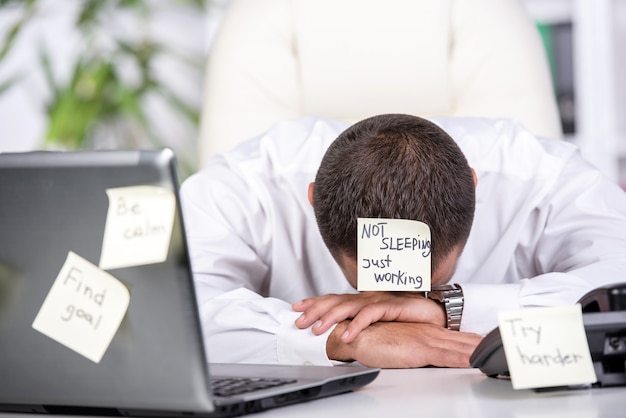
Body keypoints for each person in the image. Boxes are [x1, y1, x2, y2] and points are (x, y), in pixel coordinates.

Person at [180, 114, 626, 368]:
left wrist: (449, 308)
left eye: (425, 284)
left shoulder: (546, 178)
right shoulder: (244, 185)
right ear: (314, 202)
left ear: (474, 188)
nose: (392, 311)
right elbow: (161, 315)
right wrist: (338, 339)